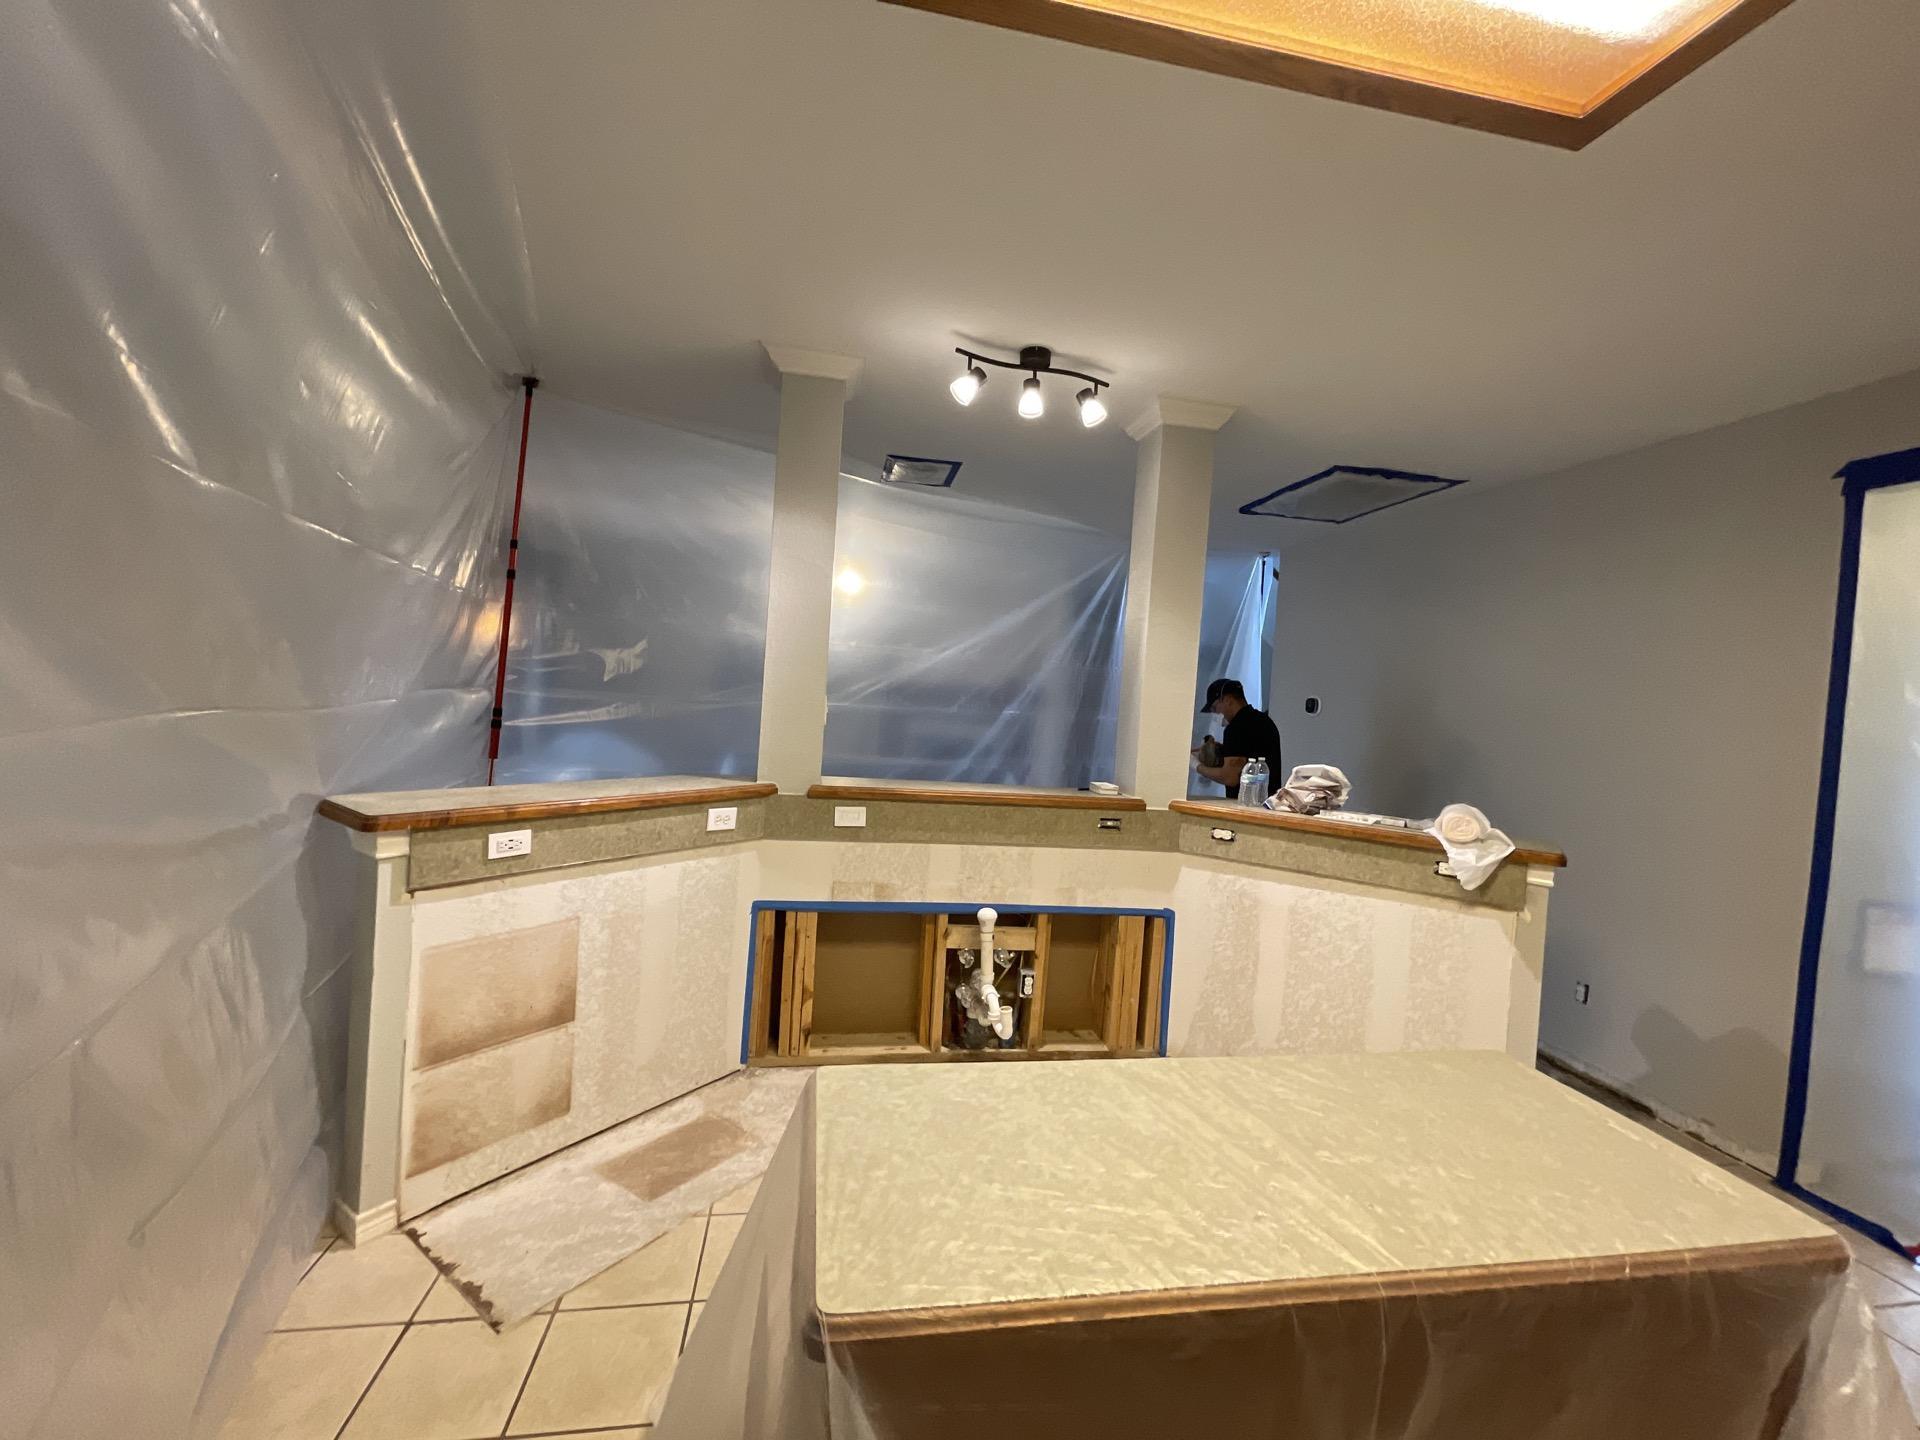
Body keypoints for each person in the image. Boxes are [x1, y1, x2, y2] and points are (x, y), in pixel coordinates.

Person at [1193, 678, 1282, 800]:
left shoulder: (1235, 728)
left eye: (1215, 708)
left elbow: (1230, 778)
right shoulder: (1264, 721)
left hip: (1247, 805)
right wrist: (1222, 751)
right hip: (1270, 803)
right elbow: (1249, 754)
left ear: (1228, 700)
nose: (1216, 714)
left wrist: (1196, 765)